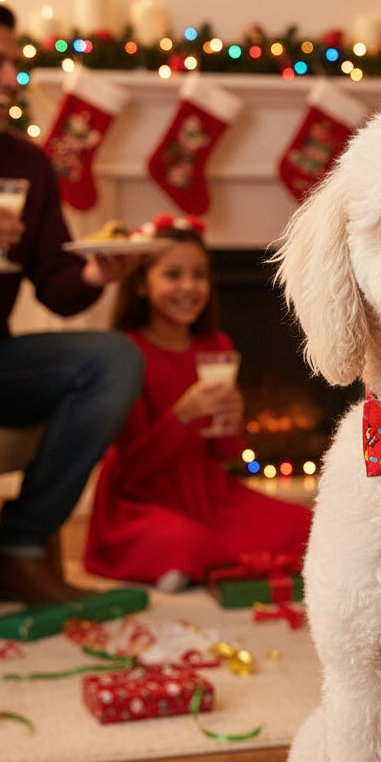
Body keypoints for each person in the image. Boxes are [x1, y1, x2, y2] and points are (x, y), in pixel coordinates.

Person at [0, 0, 146, 635]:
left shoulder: (25, 163)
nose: (8, 79)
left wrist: (95, 272)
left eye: (14, 64)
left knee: (112, 360)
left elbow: (56, 287)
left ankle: (17, 551)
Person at [84, 214, 313, 591]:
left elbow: (226, 451)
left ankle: (194, 562)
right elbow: (133, 469)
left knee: (304, 524)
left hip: (210, 496)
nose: (188, 287)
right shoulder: (127, 353)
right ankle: (189, 558)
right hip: (142, 502)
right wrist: (183, 415)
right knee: (182, 541)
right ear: (141, 284)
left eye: (199, 275)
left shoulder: (215, 347)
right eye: (173, 275)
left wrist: (233, 421)